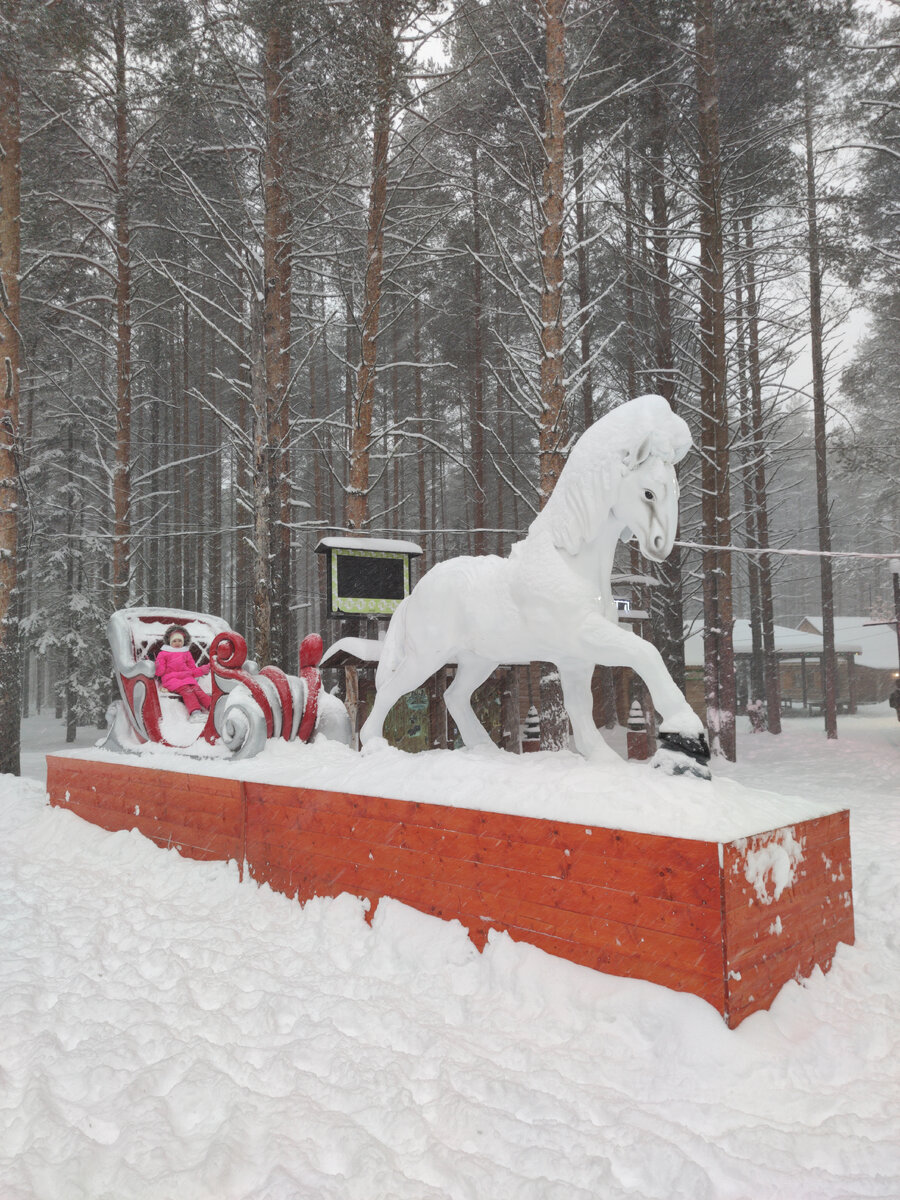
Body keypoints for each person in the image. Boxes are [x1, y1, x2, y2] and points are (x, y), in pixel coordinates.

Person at [155, 625, 212, 722]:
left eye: (180, 641)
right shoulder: (164, 653)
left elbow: (192, 670)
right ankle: (195, 713)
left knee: (198, 691)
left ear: (183, 642)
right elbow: (160, 672)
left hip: (187, 679)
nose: (177, 643)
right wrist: (158, 665)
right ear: (170, 642)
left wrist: (203, 669)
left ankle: (213, 708)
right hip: (172, 679)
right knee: (187, 691)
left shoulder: (186, 653)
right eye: (174, 641)